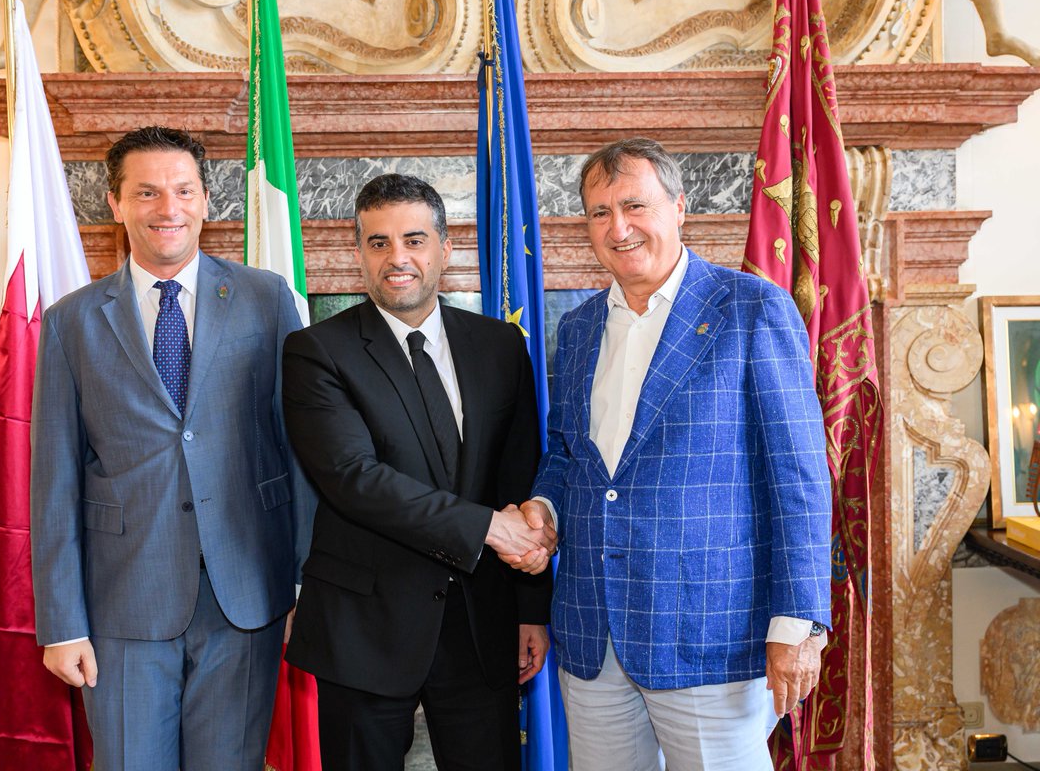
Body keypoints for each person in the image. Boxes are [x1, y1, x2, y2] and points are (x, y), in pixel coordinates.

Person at [511, 137, 832, 769]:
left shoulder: (751, 308)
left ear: (680, 207)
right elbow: (567, 454)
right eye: (600, 212)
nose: (619, 228)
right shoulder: (577, 328)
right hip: (593, 634)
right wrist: (544, 507)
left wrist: (798, 621)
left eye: (635, 206)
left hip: (710, 635)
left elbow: (798, 477)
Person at [30, 125, 315, 771]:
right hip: (123, 604)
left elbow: (299, 450)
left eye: (184, 191)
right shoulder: (71, 321)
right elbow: (54, 481)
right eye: (147, 192)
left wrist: (307, 580)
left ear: (207, 201)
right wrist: (62, 622)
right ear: (115, 203)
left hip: (246, 598)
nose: (169, 208)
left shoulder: (266, 299)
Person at [281, 173, 554, 771]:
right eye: (378, 242)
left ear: (445, 249)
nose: (397, 258)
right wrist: (491, 528)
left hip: (482, 626)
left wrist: (531, 608)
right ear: (358, 253)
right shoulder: (316, 350)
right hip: (365, 629)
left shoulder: (500, 345)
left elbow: (520, 475)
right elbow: (354, 478)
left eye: (414, 239)